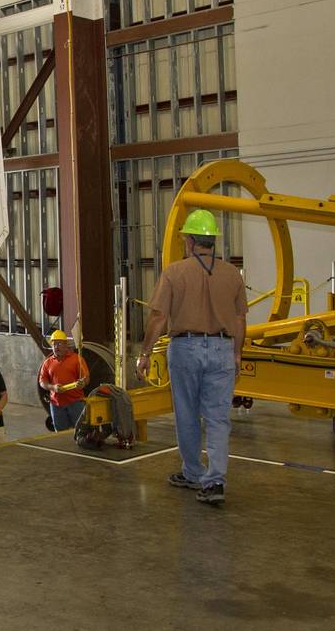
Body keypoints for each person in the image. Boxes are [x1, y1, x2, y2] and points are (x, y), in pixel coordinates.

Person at [136, 209, 246, 506]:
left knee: (187, 413)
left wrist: (145, 353)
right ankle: (215, 482)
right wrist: (236, 353)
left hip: (185, 348)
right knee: (218, 418)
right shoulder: (232, 273)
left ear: (188, 241)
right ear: (212, 240)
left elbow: (159, 317)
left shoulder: (174, 272)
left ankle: (193, 472)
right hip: (223, 349)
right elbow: (239, 320)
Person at [38, 329, 89, 431]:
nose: (56, 347)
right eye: (54, 344)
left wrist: (82, 383)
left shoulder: (77, 359)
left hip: (76, 402)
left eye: (59, 343)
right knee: (61, 434)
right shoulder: (47, 363)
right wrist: (53, 387)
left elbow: (86, 378)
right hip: (56, 404)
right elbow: (42, 382)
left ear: (66, 345)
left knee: (81, 431)